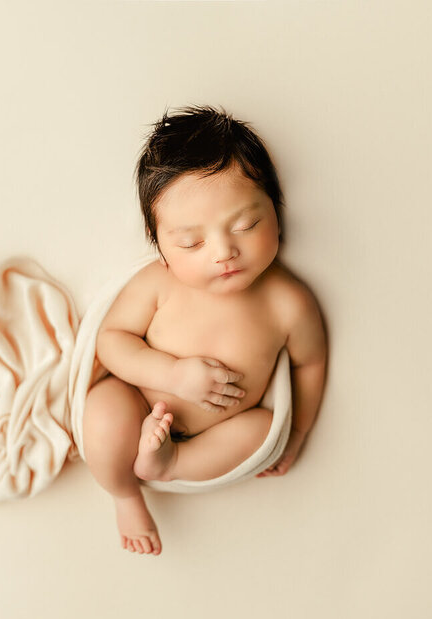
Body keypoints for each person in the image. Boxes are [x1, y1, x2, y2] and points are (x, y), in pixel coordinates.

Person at [82, 105, 328, 556]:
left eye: (245, 225)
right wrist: (172, 375)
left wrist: (297, 435)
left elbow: (310, 362)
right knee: (102, 411)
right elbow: (112, 340)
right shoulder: (158, 284)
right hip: (141, 401)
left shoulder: (288, 302)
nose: (224, 252)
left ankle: (171, 463)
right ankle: (124, 493)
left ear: (276, 210)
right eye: (191, 242)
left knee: (264, 430)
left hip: (224, 427)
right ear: (160, 248)